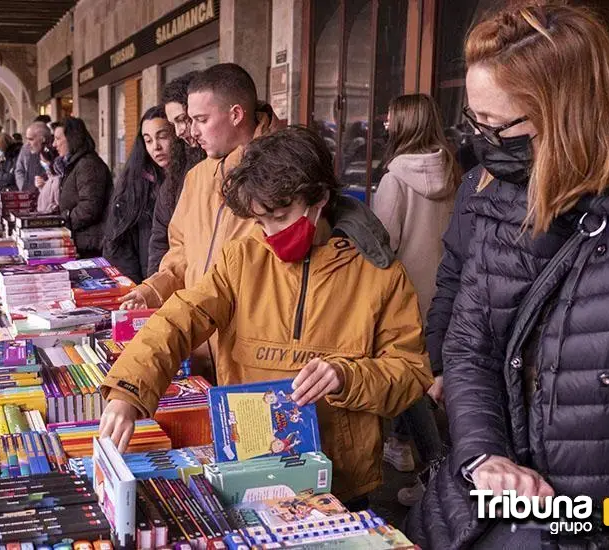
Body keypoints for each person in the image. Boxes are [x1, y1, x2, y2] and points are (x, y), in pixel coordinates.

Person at [99, 126, 433, 508]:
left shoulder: (379, 274)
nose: (271, 234)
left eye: (280, 216)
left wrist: (347, 376)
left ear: (320, 198)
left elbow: (410, 372)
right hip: (251, 465)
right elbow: (179, 318)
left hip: (340, 482)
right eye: (260, 222)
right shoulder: (241, 257)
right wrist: (128, 391)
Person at [407, 4, 609, 548]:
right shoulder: (496, 196)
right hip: (492, 510)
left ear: (568, 113)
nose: (481, 142)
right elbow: (471, 344)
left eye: (498, 126)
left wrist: (569, 522)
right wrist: (484, 456)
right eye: (474, 121)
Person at [117, 63, 394, 382]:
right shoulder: (197, 177)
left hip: (261, 360)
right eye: (189, 120)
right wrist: (154, 289)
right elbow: (182, 252)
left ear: (236, 114)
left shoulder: (289, 171)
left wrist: (346, 376)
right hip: (200, 350)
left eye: (201, 120)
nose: (191, 132)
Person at [371, 93, 458, 498]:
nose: (385, 122)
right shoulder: (454, 171)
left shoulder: (394, 179)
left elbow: (381, 244)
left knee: (410, 378)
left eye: (390, 116)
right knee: (429, 377)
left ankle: (433, 466)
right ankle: (408, 448)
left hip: (406, 297)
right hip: (448, 295)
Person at [103, 106, 179, 283]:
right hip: (143, 283)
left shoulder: (190, 177)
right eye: (148, 140)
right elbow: (118, 245)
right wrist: (135, 286)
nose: (156, 147)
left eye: (162, 136)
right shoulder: (135, 183)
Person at [149, 72, 208, 277]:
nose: (181, 131)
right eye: (173, 124)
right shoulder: (181, 164)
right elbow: (161, 235)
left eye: (184, 120)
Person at [53, 117, 112, 258]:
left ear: (72, 139)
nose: (54, 144)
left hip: (90, 244)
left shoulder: (88, 165)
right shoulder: (74, 164)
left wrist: (63, 221)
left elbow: (90, 207)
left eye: (58, 139)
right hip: (81, 240)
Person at [15, 122, 51, 192]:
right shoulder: (33, 154)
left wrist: (45, 186)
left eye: (31, 139)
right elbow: (26, 181)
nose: (27, 143)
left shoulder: (53, 156)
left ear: (42, 139)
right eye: (27, 139)